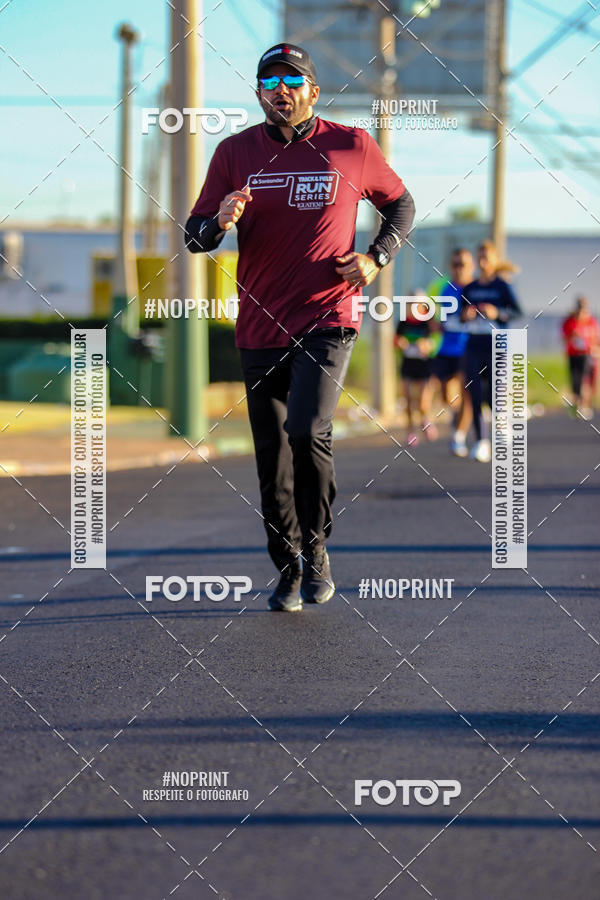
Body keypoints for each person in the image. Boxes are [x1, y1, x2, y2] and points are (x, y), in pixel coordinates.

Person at [185, 43, 415, 611]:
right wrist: (218, 221)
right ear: (261, 93)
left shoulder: (351, 145)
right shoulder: (234, 153)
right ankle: (288, 567)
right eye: (269, 81)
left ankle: (317, 549)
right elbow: (194, 238)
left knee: (308, 431)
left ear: (314, 90)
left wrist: (376, 257)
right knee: (272, 457)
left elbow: (402, 205)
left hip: (327, 317)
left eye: (292, 79)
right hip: (259, 325)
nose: (280, 89)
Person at [461, 240, 522, 462]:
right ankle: (481, 442)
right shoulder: (471, 287)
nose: (483, 262)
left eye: (487, 258)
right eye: (480, 258)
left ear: (494, 260)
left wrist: (498, 313)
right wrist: (465, 315)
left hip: (497, 344)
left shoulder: (502, 286)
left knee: (493, 394)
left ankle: (500, 422)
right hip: (474, 343)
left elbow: (517, 312)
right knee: (474, 392)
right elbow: (459, 314)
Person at [430, 248, 474, 457]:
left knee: (467, 393)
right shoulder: (445, 289)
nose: (458, 269)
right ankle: (458, 418)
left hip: (469, 348)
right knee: (447, 395)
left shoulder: (476, 289)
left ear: (470, 266)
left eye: (462, 264)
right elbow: (437, 316)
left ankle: (459, 436)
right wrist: (436, 325)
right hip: (447, 348)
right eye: (455, 264)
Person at [394, 297, 441, 446]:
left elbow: (437, 339)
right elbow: (395, 340)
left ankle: (425, 420)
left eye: (417, 305)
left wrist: (428, 345)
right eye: (410, 305)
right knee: (407, 400)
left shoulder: (427, 323)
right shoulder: (403, 322)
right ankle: (410, 432)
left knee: (422, 402)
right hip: (407, 365)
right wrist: (399, 343)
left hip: (424, 367)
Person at [561, 296, 599, 419]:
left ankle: (584, 405)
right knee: (575, 381)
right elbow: (564, 338)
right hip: (573, 355)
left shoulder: (591, 321)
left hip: (587, 355)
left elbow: (596, 338)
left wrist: (595, 348)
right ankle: (576, 405)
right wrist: (573, 336)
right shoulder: (570, 321)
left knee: (585, 380)